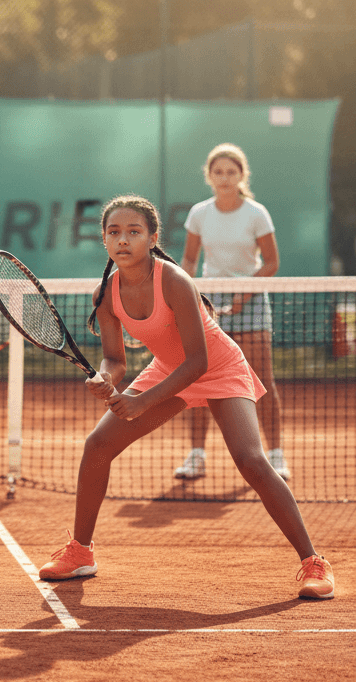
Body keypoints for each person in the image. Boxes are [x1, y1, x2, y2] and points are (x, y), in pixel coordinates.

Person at [37, 195, 333, 600]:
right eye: (114, 232)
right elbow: (113, 359)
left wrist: (141, 401)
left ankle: (313, 562)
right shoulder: (105, 295)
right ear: (104, 241)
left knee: (252, 460)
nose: (123, 240)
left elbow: (199, 360)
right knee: (99, 444)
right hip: (167, 367)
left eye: (133, 232)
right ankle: (81, 552)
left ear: (153, 237)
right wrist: (107, 379)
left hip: (216, 365)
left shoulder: (174, 280)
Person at [174, 143, 289, 481]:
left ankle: (276, 456)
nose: (224, 178)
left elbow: (271, 263)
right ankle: (196, 456)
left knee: (262, 381)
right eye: (218, 172)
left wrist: (244, 291)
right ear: (209, 176)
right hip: (208, 300)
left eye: (231, 172)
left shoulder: (256, 213)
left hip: (252, 298)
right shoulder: (199, 213)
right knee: (201, 380)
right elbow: (191, 261)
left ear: (242, 175)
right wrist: (187, 292)